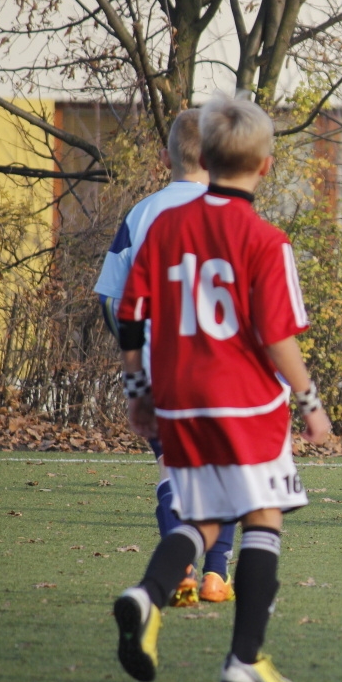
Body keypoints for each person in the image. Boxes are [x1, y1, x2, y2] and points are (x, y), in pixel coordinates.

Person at [111, 93, 331, 682]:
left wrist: (138, 388)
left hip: (180, 399)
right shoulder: (267, 240)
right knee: (264, 515)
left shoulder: (163, 225)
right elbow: (276, 335)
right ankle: (244, 658)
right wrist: (310, 402)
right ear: (266, 167)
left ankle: (148, 594)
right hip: (248, 404)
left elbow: (130, 317)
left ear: (203, 156)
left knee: (203, 515)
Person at [95, 109, 236, 607]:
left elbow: (110, 298)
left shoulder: (141, 214)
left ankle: (182, 572)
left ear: (165, 158)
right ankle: (217, 575)